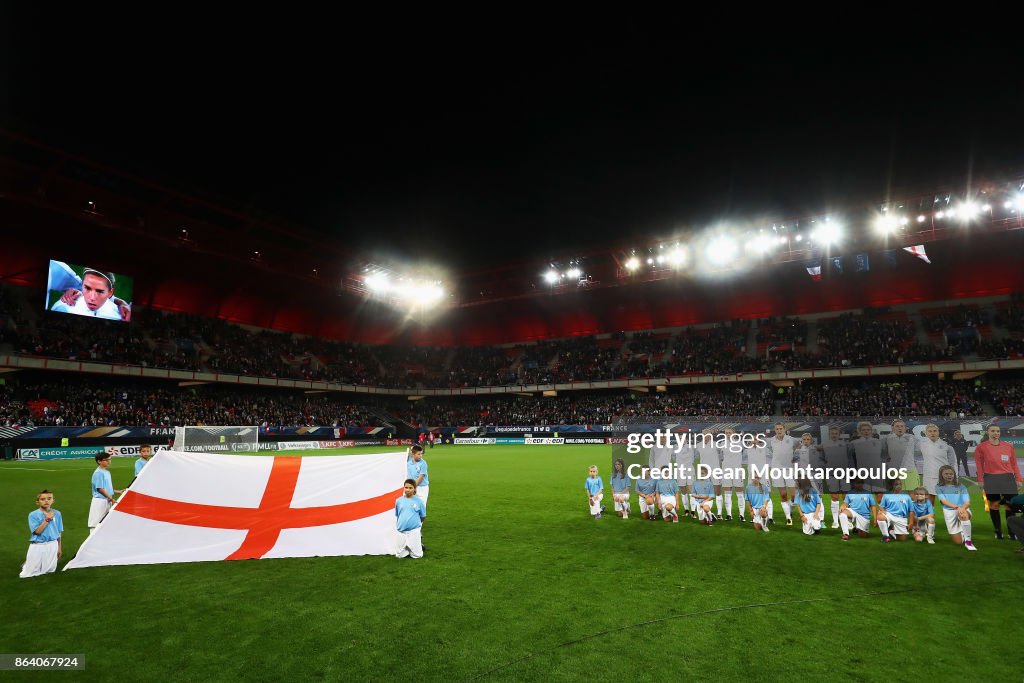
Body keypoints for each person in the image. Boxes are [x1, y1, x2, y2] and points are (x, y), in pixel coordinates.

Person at [973, 424, 1022, 540]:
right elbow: (979, 466)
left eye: (998, 431)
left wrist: (1018, 479)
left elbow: (1014, 464)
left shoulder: (1008, 446)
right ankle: (998, 531)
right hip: (991, 478)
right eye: (993, 431)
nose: (996, 433)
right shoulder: (981, 447)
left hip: (1008, 478)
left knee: (1009, 505)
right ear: (987, 432)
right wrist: (980, 479)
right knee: (994, 505)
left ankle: (1012, 532)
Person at [50, 263, 130, 321]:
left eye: (99, 291)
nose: (92, 298)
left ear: (110, 292)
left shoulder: (122, 315)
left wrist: (121, 303)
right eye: (87, 288)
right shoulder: (61, 307)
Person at [19, 489, 63, 578]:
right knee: (28, 574)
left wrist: (59, 548)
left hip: (52, 545)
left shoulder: (57, 514)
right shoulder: (33, 515)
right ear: (37, 502)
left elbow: (59, 532)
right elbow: (37, 532)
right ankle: (27, 564)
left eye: (49, 498)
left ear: (53, 501)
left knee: (49, 571)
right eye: (42, 499)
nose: (46, 501)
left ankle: (30, 562)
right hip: (38, 545)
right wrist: (47, 519)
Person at [936, 465, 977, 551]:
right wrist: (957, 507)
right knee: (958, 542)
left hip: (962, 509)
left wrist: (961, 509)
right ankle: (963, 531)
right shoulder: (939, 487)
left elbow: (967, 502)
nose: (949, 475)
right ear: (941, 475)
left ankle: (968, 542)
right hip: (949, 512)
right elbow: (944, 501)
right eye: (946, 473)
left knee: (963, 515)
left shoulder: (961, 486)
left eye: (951, 473)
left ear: (954, 474)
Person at [818, 426, 851, 528]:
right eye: (832, 433)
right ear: (829, 434)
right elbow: (820, 458)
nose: (834, 435)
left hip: (844, 473)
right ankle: (835, 521)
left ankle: (848, 520)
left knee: (846, 498)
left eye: (836, 433)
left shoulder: (845, 444)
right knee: (835, 497)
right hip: (831, 474)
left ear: (839, 434)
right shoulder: (824, 445)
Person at [916, 424, 958, 503]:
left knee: (947, 502)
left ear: (938, 432)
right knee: (929, 501)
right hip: (929, 477)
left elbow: (953, 463)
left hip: (944, 477)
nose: (932, 433)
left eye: (935, 431)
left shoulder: (947, 445)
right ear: (926, 433)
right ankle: (929, 515)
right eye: (930, 431)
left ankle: (950, 515)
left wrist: (955, 477)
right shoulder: (921, 445)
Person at [768, 423, 798, 525]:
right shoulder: (771, 440)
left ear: (784, 429)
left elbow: (800, 445)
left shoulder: (791, 439)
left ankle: (789, 508)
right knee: (783, 495)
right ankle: (788, 518)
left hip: (789, 469)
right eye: (777, 429)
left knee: (794, 495)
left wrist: (795, 457)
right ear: (774, 430)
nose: (779, 430)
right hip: (776, 469)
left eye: (781, 429)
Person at [848, 421, 886, 496]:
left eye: (868, 430)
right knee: (864, 493)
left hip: (877, 472)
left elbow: (884, 455)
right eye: (863, 430)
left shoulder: (879, 442)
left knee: (879, 494)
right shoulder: (853, 443)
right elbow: (849, 457)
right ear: (859, 431)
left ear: (871, 431)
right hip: (862, 472)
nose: (866, 432)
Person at [89, 453, 122, 532]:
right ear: (99, 461)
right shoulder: (98, 473)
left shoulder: (106, 472)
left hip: (107, 499)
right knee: (95, 523)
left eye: (110, 459)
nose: (109, 461)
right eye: (106, 460)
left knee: (106, 523)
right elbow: (100, 489)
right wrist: (111, 498)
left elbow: (107, 488)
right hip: (100, 501)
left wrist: (118, 491)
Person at [884, 420, 920, 490]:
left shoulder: (912, 438)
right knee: (894, 494)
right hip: (894, 471)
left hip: (909, 470)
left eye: (902, 426)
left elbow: (920, 451)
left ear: (905, 428)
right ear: (892, 428)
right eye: (897, 426)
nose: (900, 428)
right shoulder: (887, 438)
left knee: (912, 493)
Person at [395, 479, 426, 559]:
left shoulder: (419, 501)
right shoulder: (398, 501)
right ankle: (410, 547)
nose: (408, 490)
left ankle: (417, 545)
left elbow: (423, 516)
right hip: (401, 531)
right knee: (399, 555)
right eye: (406, 487)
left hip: (413, 531)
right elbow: (398, 514)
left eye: (410, 488)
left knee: (418, 556)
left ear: (414, 489)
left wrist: (416, 525)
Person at [720, 427, 745, 521]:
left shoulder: (739, 443)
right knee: (727, 494)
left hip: (737, 470)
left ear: (734, 433)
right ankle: (729, 514)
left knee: (739, 493)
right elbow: (720, 456)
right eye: (726, 433)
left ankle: (741, 515)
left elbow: (745, 455)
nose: (728, 434)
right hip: (726, 471)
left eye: (730, 432)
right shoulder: (722, 444)